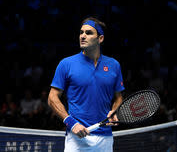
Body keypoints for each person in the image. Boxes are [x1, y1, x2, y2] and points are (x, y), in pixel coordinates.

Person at [48, 17, 125, 151]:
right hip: (77, 138)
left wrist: (114, 111)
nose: (83, 36)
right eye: (81, 32)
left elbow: (118, 97)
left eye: (89, 33)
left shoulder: (114, 65)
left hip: (105, 139)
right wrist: (71, 123)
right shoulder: (66, 64)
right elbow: (52, 98)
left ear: (100, 39)